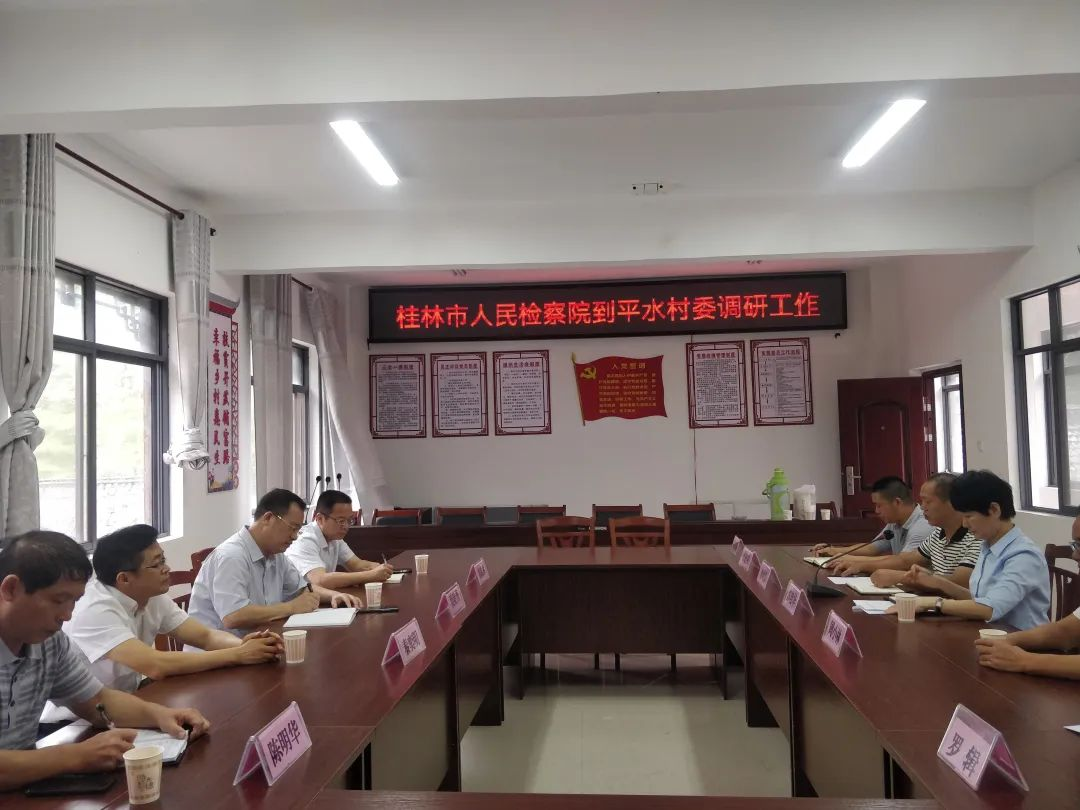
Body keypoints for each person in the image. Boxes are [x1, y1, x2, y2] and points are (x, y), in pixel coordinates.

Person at [0, 531, 209, 791]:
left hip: (22, 788)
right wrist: (75, 756)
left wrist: (160, 715)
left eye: (74, 602)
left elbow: (97, 701)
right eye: (58, 600)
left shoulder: (50, 644)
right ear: (11, 589)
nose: (67, 616)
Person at [64, 524, 283, 692]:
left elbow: (205, 636)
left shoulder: (151, 597)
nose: (167, 568)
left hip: (126, 699)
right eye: (157, 564)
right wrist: (238, 654)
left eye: (164, 560)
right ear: (124, 579)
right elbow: (155, 665)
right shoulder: (94, 609)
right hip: (74, 723)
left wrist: (248, 645)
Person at [886, 469, 1050, 630]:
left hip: (1021, 641)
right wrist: (937, 581)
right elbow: (979, 599)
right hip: (990, 633)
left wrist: (934, 603)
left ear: (994, 510)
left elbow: (990, 608)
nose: (964, 524)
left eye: (969, 516)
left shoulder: (1023, 555)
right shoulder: (988, 545)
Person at [187, 488, 362, 637]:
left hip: (258, 644)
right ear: (268, 518)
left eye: (298, 529)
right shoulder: (231, 556)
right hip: (216, 656)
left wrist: (333, 595)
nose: (295, 536)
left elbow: (302, 589)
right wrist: (290, 607)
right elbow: (234, 616)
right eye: (292, 528)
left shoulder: (276, 554)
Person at [828, 473, 980, 592]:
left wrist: (900, 577)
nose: (923, 507)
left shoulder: (975, 536)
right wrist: (860, 565)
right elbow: (906, 560)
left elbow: (959, 582)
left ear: (952, 502)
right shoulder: (938, 534)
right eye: (922, 501)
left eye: (928, 501)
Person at [974, 515, 1080, 679]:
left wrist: (1024, 660)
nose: (1074, 556)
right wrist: (1006, 640)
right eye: (1076, 545)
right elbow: (1064, 631)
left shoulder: (1025, 552)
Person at [285, 490, 392, 589]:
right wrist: (370, 575)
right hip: (299, 600)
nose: (346, 526)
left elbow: (356, 565)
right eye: (341, 521)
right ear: (320, 519)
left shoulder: (335, 538)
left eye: (349, 520)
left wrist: (380, 568)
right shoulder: (305, 540)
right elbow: (320, 580)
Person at [813, 476, 932, 559]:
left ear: (897, 502)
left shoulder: (923, 525)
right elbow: (872, 548)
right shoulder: (894, 522)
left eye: (879, 505)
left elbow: (902, 562)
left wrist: (852, 561)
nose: (876, 511)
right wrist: (834, 551)